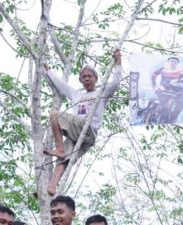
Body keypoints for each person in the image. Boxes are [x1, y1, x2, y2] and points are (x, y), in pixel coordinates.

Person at [44, 50, 123, 196]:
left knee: (55, 115)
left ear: (96, 78)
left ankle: (59, 147)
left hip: (89, 131)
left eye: (89, 76)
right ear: (80, 80)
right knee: (64, 158)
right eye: (84, 77)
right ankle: (52, 186)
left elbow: (116, 82)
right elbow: (61, 85)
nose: (87, 79)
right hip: (76, 133)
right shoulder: (77, 94)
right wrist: (48, 71)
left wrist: (118, 61)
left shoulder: (102, 92)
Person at [150, 56, 183, 123]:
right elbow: (153, 76)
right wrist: (154, 86)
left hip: (176, 92)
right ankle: (153, 117)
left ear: (177, 63)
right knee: (161, 105)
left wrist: (179, 80)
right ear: (168, 62)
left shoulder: (181, 71)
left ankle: (173, 118)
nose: (173, 62)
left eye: (175, 61)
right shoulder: (162, 69)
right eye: (171, 61)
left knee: (182, 103)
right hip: (163, 90)